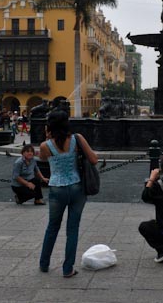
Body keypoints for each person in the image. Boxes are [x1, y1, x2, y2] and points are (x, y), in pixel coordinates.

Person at [38, 110, 98, 277]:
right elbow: (94, 159)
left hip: (57, 188)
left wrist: (46, 136)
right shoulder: (76, 139)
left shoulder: (45, 145)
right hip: (77, 187)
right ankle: (68, 268)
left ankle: (44, 264)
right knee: (73, 229)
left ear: (49, 126)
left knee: (52, 226)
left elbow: (42, 159)